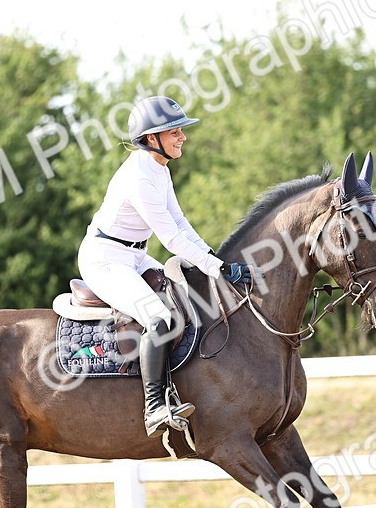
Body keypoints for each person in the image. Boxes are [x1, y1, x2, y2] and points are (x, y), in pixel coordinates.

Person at [78, 96, 252, 436]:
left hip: (135, 255)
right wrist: (218, 268)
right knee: (158, 317)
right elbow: (172, 239)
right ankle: (155, 407)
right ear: (151, 138)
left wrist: (214, 260)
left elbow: (181, 223)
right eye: (174, 131)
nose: (182, 137)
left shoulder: (159, 169)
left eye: (180, 131)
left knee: (187, 295)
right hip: (105, 259)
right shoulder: (139, 177)